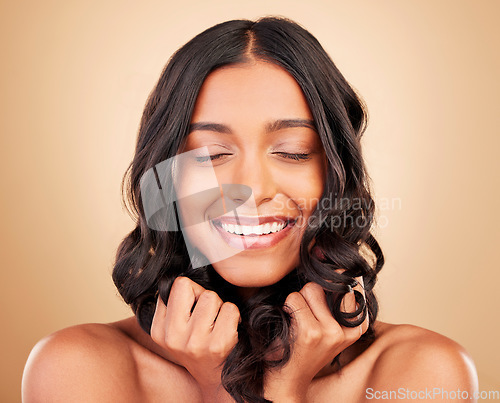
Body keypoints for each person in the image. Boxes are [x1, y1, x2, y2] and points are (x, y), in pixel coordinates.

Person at [22, 16, 478, 403]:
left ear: (337, 174)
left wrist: (280, 388)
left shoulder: (424, 374)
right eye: (210, 154)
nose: (253, 189)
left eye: (294, 151)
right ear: (166, 180)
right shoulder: (78, 369)